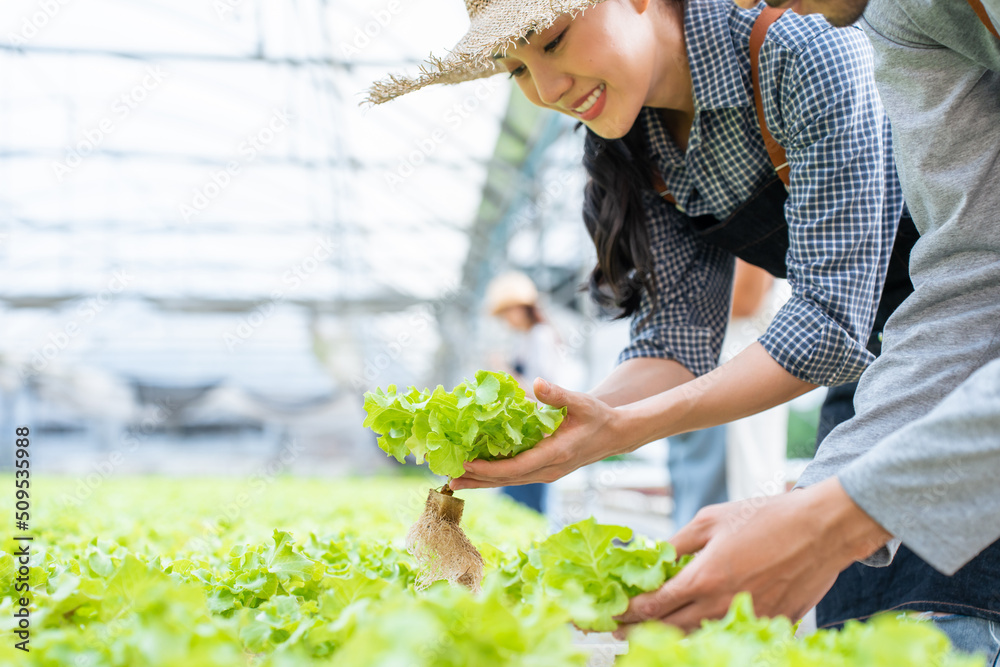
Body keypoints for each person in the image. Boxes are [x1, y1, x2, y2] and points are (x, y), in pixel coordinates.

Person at [613, 0, 1000, 658]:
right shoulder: (897, 20)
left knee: (943, 614)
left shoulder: (810, 56)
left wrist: (831, 516)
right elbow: (974, 278)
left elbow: (829, 319)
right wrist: (819, 501)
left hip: (913, 383)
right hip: (900, 375)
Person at [483, 271, 560, 514]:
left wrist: (503, 371)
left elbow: (544, 391)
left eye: (507, 312)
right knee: (514, 499)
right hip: (527, 432)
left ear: (522, 308)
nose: (506, 320)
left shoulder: (541, 337)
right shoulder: (524, 340)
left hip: (540, 431)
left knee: (532, 502)